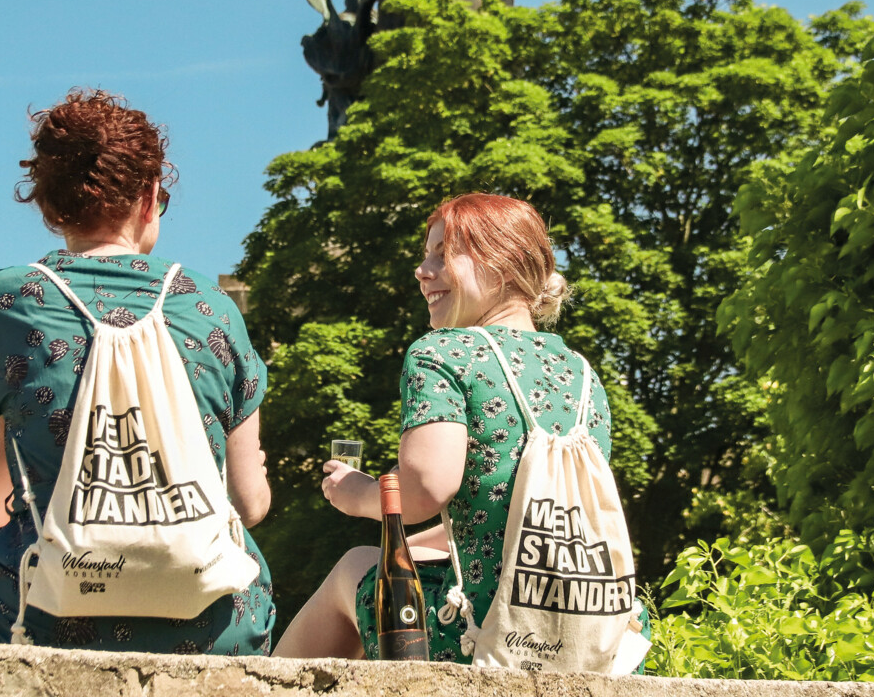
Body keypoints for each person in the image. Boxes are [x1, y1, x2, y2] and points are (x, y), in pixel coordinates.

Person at [0, 89, 274, 654]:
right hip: (212, 622)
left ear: (48, 205)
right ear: (150, 195)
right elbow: (249, 503)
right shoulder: (209, 306)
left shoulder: (8, 300)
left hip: (41, 612)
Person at [271, 193, 646, 664]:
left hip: (488, 632)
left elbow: (426, 488)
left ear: (503, 263)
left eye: (442, 254)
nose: (422, 270)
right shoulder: (582, 373)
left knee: (356, 567)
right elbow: (525, 516)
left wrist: (360, 493)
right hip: (597, 636)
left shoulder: (444, 351)